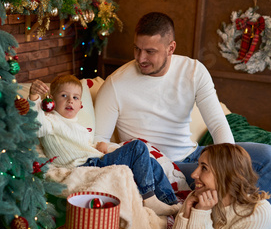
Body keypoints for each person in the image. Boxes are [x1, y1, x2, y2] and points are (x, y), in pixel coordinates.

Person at [94, 12, 271, 206]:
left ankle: (256, 223)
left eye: (150, 51)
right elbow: (99, 142)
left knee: (270, 157)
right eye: (137, 49)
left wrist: (225, 165)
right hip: (162, 169)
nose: (140, 58)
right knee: (212, 177)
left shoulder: (193, 71)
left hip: (196, 155)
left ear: (171, 48)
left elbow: (217, 123)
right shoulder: (116, 84)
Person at [29, 74, 180, 216]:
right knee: (137, 147)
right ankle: (150, 198)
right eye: (64, 96)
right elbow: (37, 125)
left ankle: (171, 202)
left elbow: (78, 146)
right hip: (84, 167)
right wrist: (34, 97)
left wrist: (97, 148)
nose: (70, 101)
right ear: (51, 100)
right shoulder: (50, 120)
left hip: (95, 160)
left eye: (75, 97)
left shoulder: (77, 125)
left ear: (80, 104)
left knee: (149, 161)